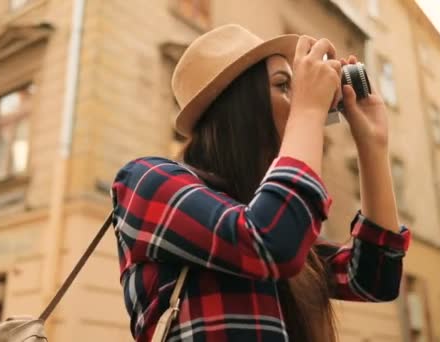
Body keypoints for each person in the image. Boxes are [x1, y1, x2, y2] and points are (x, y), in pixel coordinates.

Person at [111, 24, 411, 342]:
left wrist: (373, 145)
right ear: (238, 109)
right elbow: (269, 239)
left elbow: (373, 279)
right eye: (284, 85)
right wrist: (308, 109)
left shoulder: (277, 223)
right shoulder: (147, 181)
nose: (298, 100)